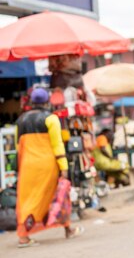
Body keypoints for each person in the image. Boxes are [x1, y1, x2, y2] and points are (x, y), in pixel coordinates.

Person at [15, 87, 83, 248]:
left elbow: (19, 147)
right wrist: (63, 166)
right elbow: (57, 144)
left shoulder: (21, 120)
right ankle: (68, 230)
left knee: (28, 198)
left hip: (27, 165)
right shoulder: (51, 119)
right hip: (47, 165)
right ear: (47, 101)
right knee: (59, 195)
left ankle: (24, 237)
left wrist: (19, 167)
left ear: (31, 101)